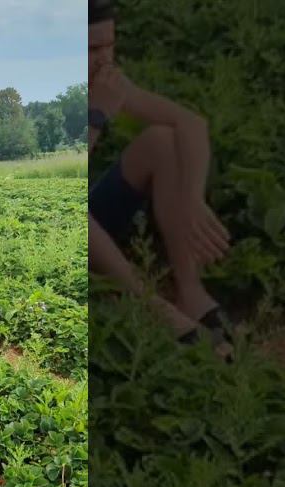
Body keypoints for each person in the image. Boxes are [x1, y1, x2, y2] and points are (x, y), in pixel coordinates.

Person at [88, 0, 235, 360]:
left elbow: (191, 123)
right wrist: (96, 115)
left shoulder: (105, 79)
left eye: (110, 46)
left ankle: (190, 290)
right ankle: (153, 307)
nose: (105, 60)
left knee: (163, 141)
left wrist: (192, 200)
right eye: (92, 49)